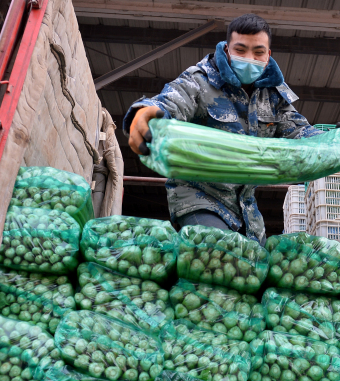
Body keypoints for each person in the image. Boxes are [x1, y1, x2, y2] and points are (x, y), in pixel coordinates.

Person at [124, 14, 321, 245]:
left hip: (247, 211)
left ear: (268, 55)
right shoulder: (200, 80)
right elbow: (172, 101)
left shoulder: (275, 96)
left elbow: (300, 132)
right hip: (200, 198)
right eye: (240, 50)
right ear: (227, 49)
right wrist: (146, 112)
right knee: (221, 255)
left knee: (251, 270)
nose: (249, 58)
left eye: (258, 52)